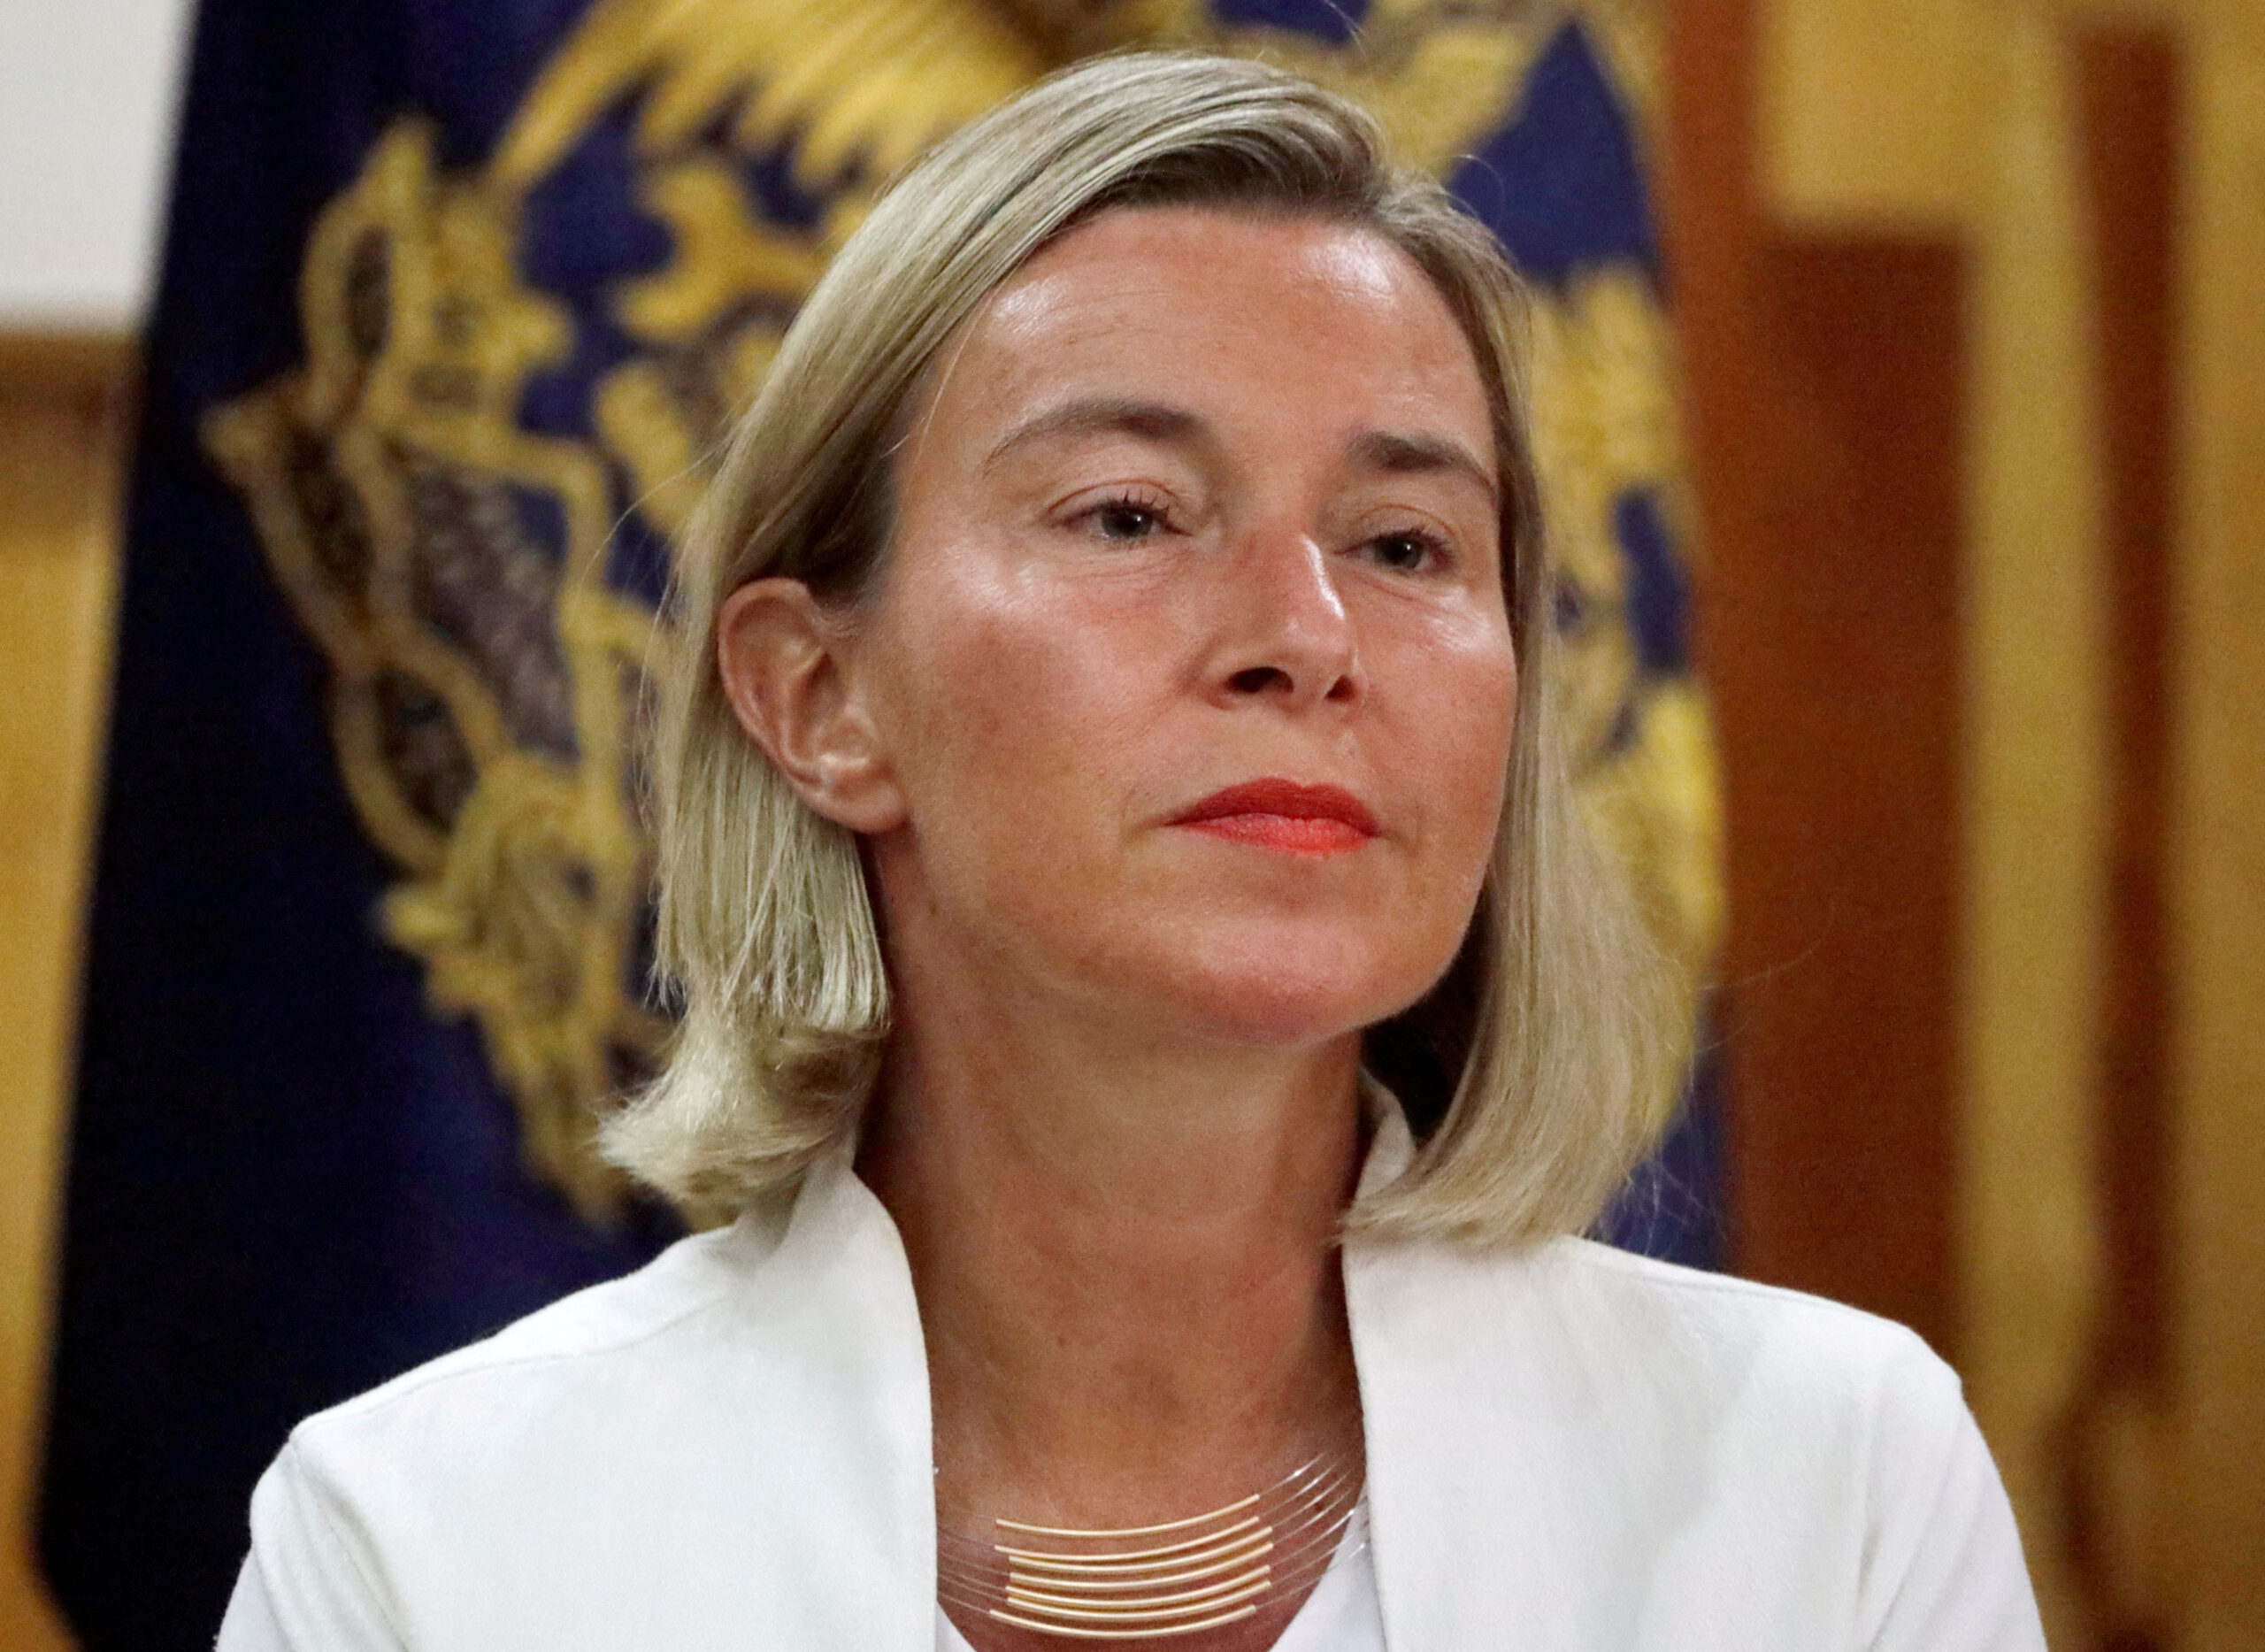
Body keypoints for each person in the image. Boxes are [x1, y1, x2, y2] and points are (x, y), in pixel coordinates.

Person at [216, 50, 2046, 1652]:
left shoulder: (1826, 1490)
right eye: (1130, 515)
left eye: (1405, 544)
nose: (1305, 633)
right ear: (819, 696)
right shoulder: (434, 1545)